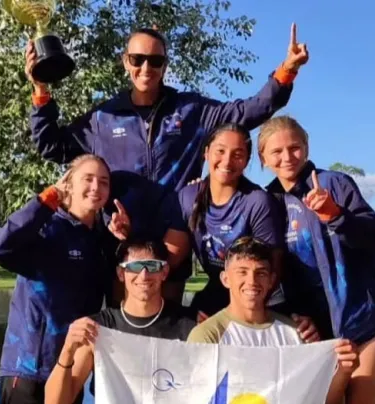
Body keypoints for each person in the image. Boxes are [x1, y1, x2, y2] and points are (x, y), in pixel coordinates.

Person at [26, 24, 311, 298]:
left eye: (155, 60)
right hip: (119, 246)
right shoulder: (103, 118)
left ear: (165, 65)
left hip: (173, 245)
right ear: (125, 62)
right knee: (123, 334)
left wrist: (287, 70)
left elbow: (249, 111)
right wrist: (40, 88)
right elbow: (52, 145)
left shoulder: (191, 110)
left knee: (168, 333)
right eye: (137, 59)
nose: (146, 68)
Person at [258, 116, 375, 404]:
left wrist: (335, 214)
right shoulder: (268, 202)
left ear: (306, 147)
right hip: (320, 329)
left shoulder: (334, 183)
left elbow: (374, 238)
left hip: (364, 316)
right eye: (277, 151)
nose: (287, 156)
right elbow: (272, 269)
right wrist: (289, 315)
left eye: (294, 147)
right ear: (264, 158)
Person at [0, 154, 131, 404]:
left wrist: (121, 242)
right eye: (88, 178)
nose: (96, 186)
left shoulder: (100, 240)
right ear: (68, 183)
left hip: (70, 369)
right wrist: (45, 200)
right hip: (27, 368)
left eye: (104, 181)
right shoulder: (45, 227)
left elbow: (113, 295)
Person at [187, 237, 360, 404]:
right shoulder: (207, 335)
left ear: (271, 281)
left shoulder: (295, 333)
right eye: (241, 272)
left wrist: (344, 370)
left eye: (261, 273)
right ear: (225, 279)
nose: (252, 281)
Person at [43, 237, 196, 404]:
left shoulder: (190, 327)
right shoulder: (100, 329)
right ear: (121, 273)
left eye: (152, 265)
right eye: (134, 267)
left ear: (165, 272)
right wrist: (67, 350)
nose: (144, 275)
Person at [177, 123, 284, 318]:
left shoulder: (257, 201)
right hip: (213, 294)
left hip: (256, 297)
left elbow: (272, 269)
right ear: (207, 153)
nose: (227, 161)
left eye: (237, 154)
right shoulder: (187, 196)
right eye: (220, 151)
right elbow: (174, 251)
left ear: (246, 160)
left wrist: (240, 317)